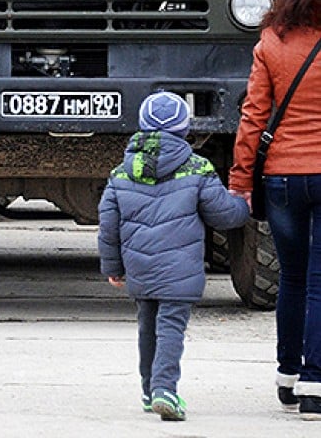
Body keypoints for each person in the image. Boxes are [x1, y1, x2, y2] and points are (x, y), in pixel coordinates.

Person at [98, 91, 249, 421]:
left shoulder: (121, 173)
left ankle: (149, 388)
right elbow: (224, 215)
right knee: (170, 329)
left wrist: (113, 266)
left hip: (139, 267)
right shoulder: (197, 168)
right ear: (184, 129)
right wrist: (244, 204)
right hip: (179, 271)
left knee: (147, 327)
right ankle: (165, 389)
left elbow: (108, 225)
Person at [229, 0, 321, 420]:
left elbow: (252, 118)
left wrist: (240, 180)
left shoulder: (271, 43)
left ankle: (287, 376)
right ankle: (315, 384)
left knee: (293, 278)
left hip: (282, 175)